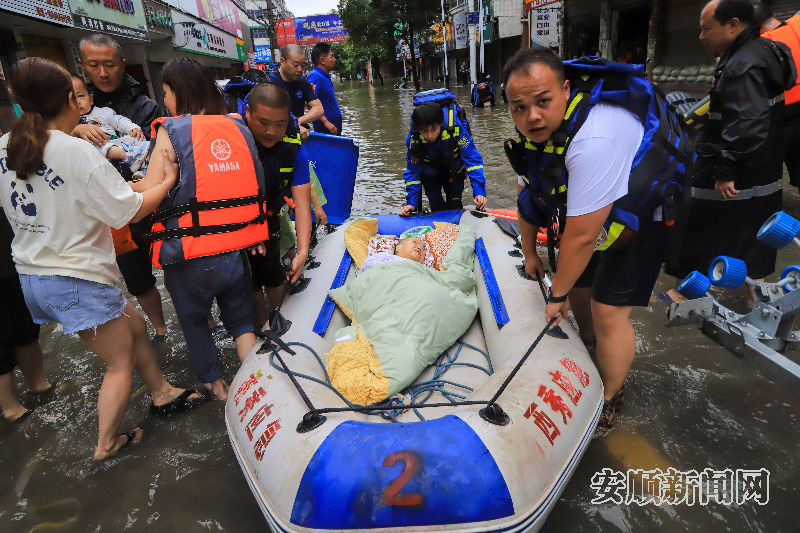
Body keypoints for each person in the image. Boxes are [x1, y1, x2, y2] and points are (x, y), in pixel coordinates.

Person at [0, 57, 202, 459]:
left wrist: (147, 184)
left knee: (134, 326)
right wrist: (168, 182)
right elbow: (127, 210)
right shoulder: (75, 151)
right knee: (118, 363)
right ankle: (106, 444)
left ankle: (162, 391)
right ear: (69, 100)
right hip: (75, 279)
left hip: (34, 277)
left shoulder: (7, 145)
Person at [503, 47, 693, 433]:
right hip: (594, 207)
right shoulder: (536, 136)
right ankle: (589, 346)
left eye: (542, 102)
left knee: (608, 309)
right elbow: (530, 196)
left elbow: (583, 236)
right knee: (579, 289)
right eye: (519, 107)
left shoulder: (595, 140)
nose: (532, 116)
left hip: (644, 210)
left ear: (566, 89)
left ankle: (611, 397)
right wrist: (529, 254)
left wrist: (554, 297)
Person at [144, 58, 266, 401]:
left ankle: (218, 389)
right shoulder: (237, 127)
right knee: (243, 324)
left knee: (197, 325)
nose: (165, 101)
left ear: (178, 93)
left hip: (190, 258)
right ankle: (257, 385)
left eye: (166, 93)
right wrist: (254, 234)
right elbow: (254, 183)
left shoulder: (171, 130)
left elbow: (153, 191)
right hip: (234, 251)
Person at [666, 0, 796, 305]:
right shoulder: (768, 51)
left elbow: (746, 124)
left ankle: (682, 293)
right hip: (763, 168)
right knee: (758, 228)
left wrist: (725, 170)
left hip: (732, 168)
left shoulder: (741, 65)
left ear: (733, 24)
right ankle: (758, 296)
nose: (700, 36)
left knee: (698, 223)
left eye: (705, 28)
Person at [73, 33, 170, 344]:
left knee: (176, 260)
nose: (103, 73)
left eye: (109, 65)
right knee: (136, 276)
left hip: (148, 197)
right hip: (107, 208)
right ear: (82, 65)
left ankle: (203, 319)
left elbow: (158, 151)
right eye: (94, 65)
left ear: (122, 63)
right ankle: (161, 329)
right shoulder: (70, 108)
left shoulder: (145, 106)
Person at [243, 83, 313, 327]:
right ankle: (260, 325)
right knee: (248, 281)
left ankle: (282, 321)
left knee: (273, 271)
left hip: (270, 214)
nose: (272, 132)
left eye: (280, 123)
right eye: (264, 123)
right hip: (238, 223)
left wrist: (303, 251)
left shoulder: (294, 147)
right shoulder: (233, 139)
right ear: (248, 113)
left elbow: (303, 204)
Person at [0, 214, 51, 423]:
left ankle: (40, 386)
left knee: (26, 329)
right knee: (1, 340)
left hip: (11, 253)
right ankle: (12, 409)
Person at [399, 102, 487, 214]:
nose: (429, 135)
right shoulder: (414, 139)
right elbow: (412, 172)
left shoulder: (456, 129)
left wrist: (479, 192)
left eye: (433, 129)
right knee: (435, 203)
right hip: (429, 174)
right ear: (418, 128)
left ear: (441, 123)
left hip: (454, 170)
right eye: (424, 131)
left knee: (454, 203)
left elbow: (472, 159)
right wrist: (411, 203)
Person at [756, 3, 800, 195]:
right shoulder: (797, 24)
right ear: (773, 14)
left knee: (766, 173)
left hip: (781, 115)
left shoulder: (757, 46)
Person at [71, 76, 149, 172]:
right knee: (95, 147)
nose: (78, 102)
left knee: (137, 138)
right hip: (98, 152)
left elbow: (119, 121)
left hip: (115, 142)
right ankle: (127, 156)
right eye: (72, 99)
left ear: (91, 99)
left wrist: (132, 128)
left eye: (80, 96)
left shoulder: (103, 112)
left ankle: (144, 168)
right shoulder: (71, 123)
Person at [268, 44, 324, 140]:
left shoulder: (302, 82)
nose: (299, 70)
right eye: (295, 65)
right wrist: (292, 125)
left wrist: (297, 122)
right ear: (282, 61)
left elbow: (319, 109)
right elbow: (271, 114)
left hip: (299, 133)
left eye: (302, 65)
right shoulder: (270, 82)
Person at [307, 42, 343, 136]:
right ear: (322, 60)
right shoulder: (315, 76)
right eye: (331, 56)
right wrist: (325, 121)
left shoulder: (324, 77)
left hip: (332, 131)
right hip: (325, 131)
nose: (334, 59)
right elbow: (308, 101)